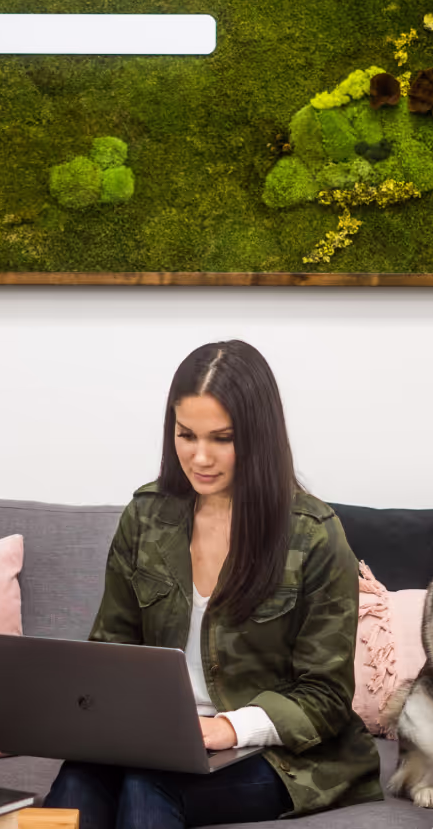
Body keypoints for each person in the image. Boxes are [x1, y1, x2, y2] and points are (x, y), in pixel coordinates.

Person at [44, 340, 385, 829]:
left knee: (148, 786)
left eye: (222, 439)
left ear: (259, 437)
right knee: (78, 783)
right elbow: (110, 651)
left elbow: (325, 696)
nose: (199, 457)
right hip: (157, 739)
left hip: (280, 754)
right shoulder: (146, 517)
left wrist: (228, 727)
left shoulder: (314, 534)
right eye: (186, 435)